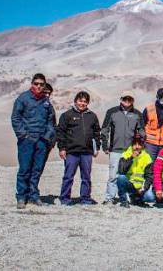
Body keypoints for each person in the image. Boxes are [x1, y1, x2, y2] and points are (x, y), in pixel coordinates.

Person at [11, 73, 55, 209]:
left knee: (37, 169)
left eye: (42, 84)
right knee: (25, 169)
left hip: (41, 141)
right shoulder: (23, 99)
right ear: (32, 84)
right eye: (36, 83)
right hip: (27, 140)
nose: (39, 86)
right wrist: (22, 135)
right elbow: (15, 118)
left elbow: (51, 121)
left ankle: (33, 195)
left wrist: (47, 137)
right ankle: (21, 197)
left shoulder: (46, 102)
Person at [101, 91, 146, 205]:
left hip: (131, 150)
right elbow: (105, 129)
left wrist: (142, 137)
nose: (127, 101)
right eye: (125, 99)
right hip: (115, 149)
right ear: (121, 99)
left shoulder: (137, 114)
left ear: (133, 101)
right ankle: (109, 198)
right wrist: (105, 145)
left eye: (129, 99)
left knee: (128, 175)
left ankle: (125, 198)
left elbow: (141, 129)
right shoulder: (112, 112)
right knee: (113, 175)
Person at [57, 91, 101, 205]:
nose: (82, 103)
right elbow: (60, 132)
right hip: (71, 151)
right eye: (80, 101)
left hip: (87, 152)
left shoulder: (92, 116)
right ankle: (65, 198)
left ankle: (85, 198)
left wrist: (97, 148)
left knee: (86, 177)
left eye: (85, 101)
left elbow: (97, 132)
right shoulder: (67, 115)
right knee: (68, 176)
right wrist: (62, 148)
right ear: (76, 101)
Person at [116, 134, 155, 208]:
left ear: (142, 146)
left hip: (140, 188)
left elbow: (149, 177)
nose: (137, 147)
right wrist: (131, 158)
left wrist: (143, 189)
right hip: (129, 185)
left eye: (139, 144)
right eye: (135, 144)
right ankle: (124, 200)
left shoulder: (147, 157)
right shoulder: (125, 154)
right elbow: (121, 171)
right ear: (131, 145)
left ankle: (135, 198)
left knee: (151, 198)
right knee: (121, 178)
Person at [142, 88, 163, 160]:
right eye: (160, 96)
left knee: (161, 166)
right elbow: (142, 125)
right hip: (150, 144)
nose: (162, 98)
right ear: (157, 96)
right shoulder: (148, 109)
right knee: (149, 166)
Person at [40, 83, 57, 176]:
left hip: (48, 142)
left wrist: (53, 140)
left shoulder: (49, 106)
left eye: (49, 93)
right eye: (45, 92)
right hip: (37, 141)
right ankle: (25, 190)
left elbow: (53, 124)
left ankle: (33, 189)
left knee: (39, 168)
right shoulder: (34, 106)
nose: (47, 95)